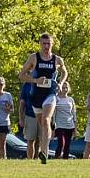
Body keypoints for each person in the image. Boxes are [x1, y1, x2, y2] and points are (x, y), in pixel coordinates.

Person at [18, 33, 68, 164]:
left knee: (46, 120)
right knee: (42, 123)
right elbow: (22, 75)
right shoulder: (33, 58)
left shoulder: (57, 60)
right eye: (44, 44)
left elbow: (64, 72)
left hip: (50, 95)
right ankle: (44, 145)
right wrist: (35, 80)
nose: (46, 46)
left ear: (52, 44)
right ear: (40, 44)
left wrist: (61, 83)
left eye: (49, 44)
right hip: (36, 97)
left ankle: (44, 153)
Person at [52, 81, 77, 160]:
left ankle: (65, 159)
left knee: (67, 144)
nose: (64, 89)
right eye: (63, 87)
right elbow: (53, 114)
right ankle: (56, 158)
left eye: (66, 87)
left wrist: (75, 127)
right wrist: (52, 127)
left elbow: (74, 113)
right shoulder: (56, 99)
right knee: (61, 143)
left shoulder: (71, 100)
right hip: (59, 125)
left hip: (70, 125)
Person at [18, 80, 39, 160]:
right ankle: (30, 160)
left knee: (40, 141)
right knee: (30, 140)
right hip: (30, 115)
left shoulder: (44, 82)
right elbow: (22, 103)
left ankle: (37, 159)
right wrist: (21, 118)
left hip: (42, 115)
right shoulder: (27, 85)